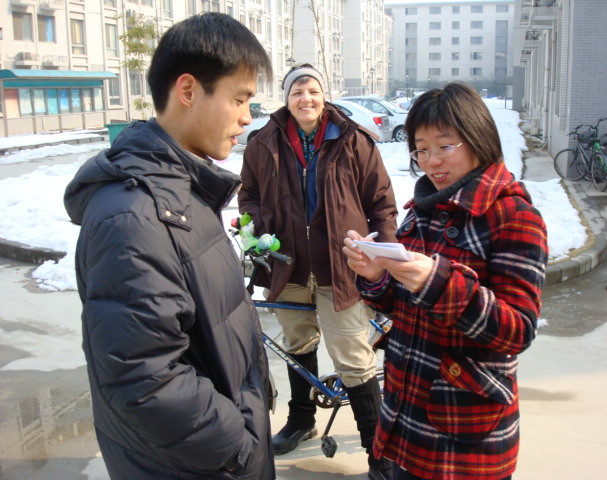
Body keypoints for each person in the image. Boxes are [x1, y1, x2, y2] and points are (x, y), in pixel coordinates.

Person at [63, 13, 275, 480]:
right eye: (239, 99)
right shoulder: (133, 216)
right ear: (188, 90)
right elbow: (143, 379)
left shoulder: (183, 191)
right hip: (197, 464)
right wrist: (238, 447)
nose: (247, 117)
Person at [342, 82, 549, 480]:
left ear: (478, 139)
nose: (431, 161)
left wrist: (436, 282)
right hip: (406, 414)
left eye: (445, 146)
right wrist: (376, 277)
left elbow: (517, 329)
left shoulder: (514, 216)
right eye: (421, 149)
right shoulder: (422, 209)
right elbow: (400, 303)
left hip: (465, 428)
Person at [238, 64, 398, 480]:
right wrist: (257, 227)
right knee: (297, 342)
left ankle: (377, 452)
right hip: (286, 265)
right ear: (286, 98)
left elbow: (381, 202)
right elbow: (249, 194)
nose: (305, 98)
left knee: (353, 356)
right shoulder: (264, 142)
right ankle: (302, 419)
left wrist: (380, 251)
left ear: (323, 95)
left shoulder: (353, 140)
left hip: (341, 267)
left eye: (312, 90)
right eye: (296, 92)